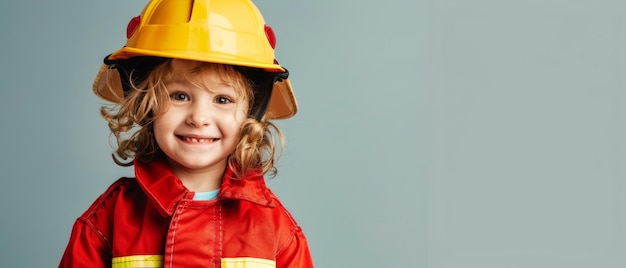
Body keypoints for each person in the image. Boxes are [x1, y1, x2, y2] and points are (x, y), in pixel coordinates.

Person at [59, 0, 314, 267]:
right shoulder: (108, 219)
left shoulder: (275, 229)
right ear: (146, 103)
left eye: (223, 99)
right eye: (179, 96)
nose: (199, 118)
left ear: (252, 113)